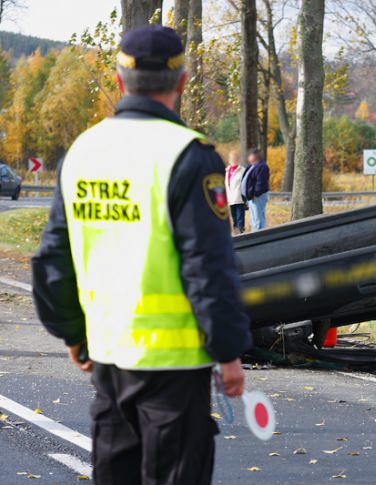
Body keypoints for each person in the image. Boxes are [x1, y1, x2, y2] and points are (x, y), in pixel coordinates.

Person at [30, 25, 251, 485]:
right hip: (175, 368)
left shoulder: (83, 152)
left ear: (118, 81)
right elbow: (207, 267)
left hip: (109, 360)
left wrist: (74, 333)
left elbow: (53, 259)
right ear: (183, 82)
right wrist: (228, 352)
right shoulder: (189, 157)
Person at [241, 148, 269, 231]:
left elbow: (261, 182)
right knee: (254, 218)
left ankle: (259, 235)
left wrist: (255, 194)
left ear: (255, 156)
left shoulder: (262, 166)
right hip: (251, 197)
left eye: (250, 155)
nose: (248, 158)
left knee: (258, 218)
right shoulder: (252, 166)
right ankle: (255, 232)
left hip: (257, 196)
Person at [225, 149, 246, 234]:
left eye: (235, 159)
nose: (234, 160)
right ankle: (236, 232)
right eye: (232, 159)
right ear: (229, 160)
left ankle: (240, 232)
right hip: (230, 199)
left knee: (240, 217)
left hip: (239, 198)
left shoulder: (242, 170)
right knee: (234, 217)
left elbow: (245, 184)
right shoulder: (227, 171)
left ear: (238, 160)